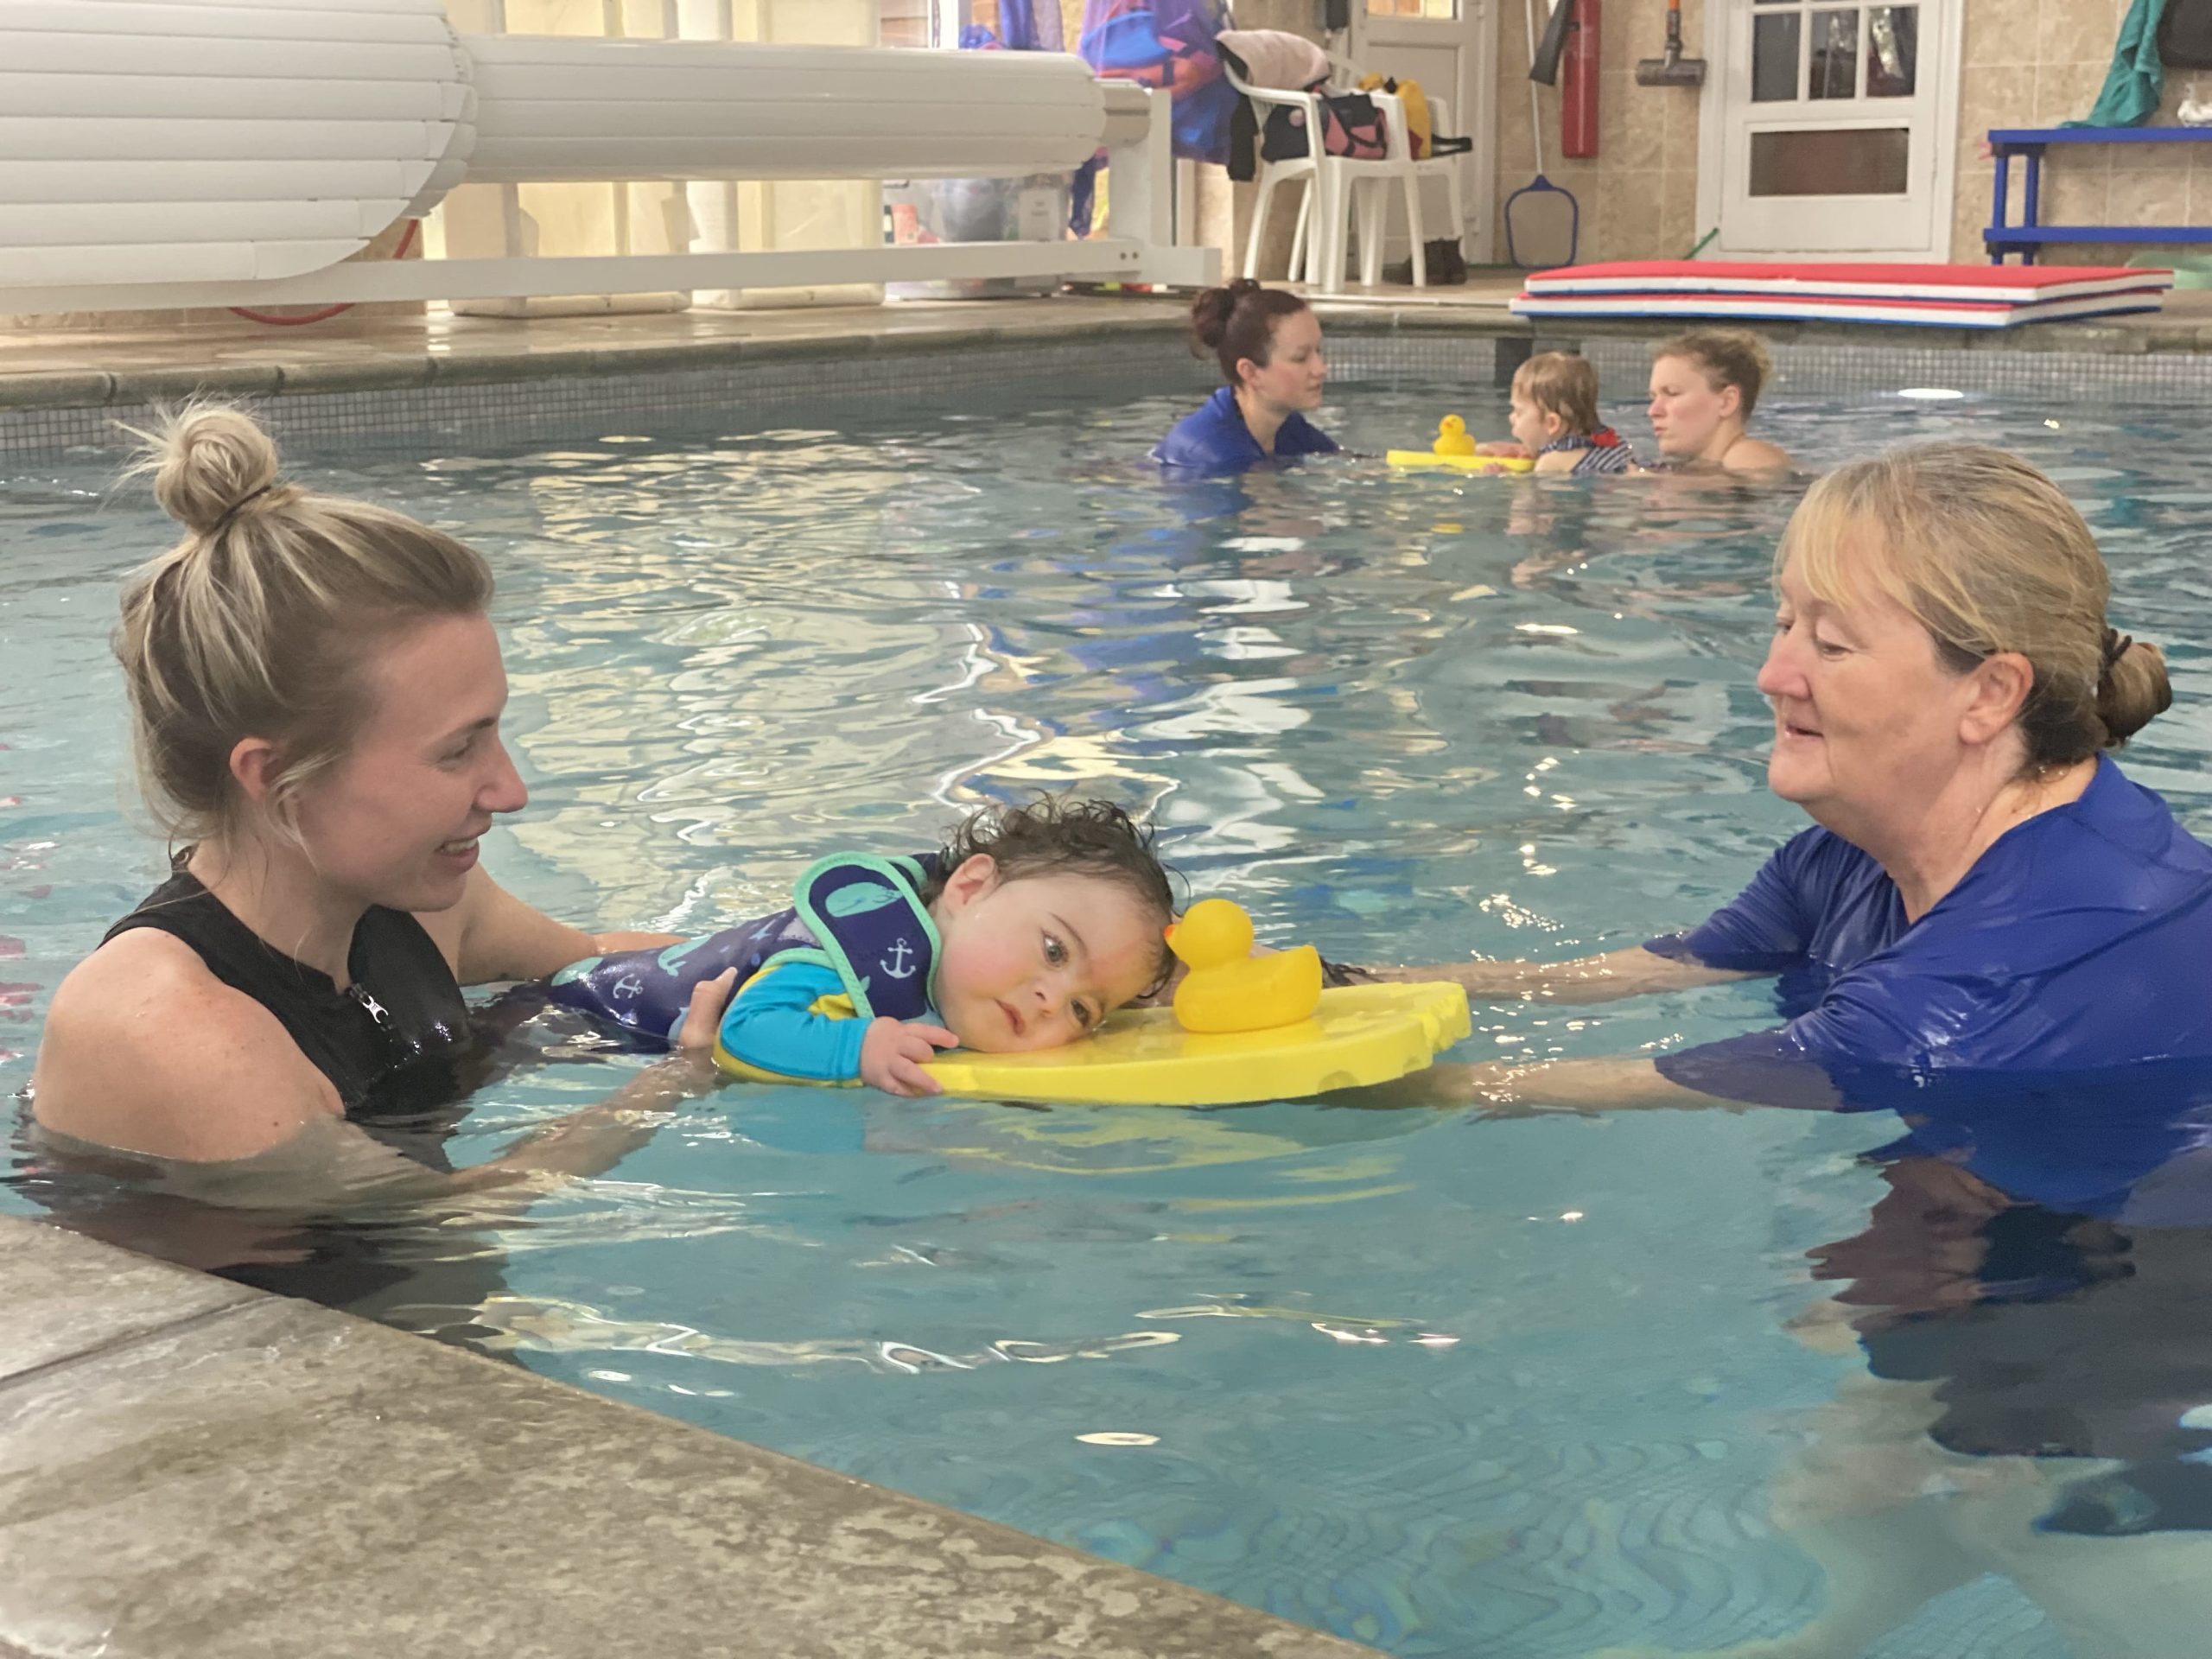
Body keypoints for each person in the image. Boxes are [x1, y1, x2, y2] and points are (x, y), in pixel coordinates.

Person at [28, 404, 735, 1202]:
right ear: (276, 778)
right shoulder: (169, 1030)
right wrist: (671, 1085)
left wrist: (815, 970)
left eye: (494, 732)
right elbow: (434, 1228)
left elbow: (604, 962)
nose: (510, 790)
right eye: (458, 749)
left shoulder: (418, 904)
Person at [550, 798, 1176, 1096]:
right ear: (971, 885)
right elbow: (746, 1030)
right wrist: (858, 1046)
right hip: (586, 1022)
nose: (1050, 998)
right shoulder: (850, 956)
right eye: (1054, 951)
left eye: (1083, 1010)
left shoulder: (966, 944)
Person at [1153, 278, 1338, 473]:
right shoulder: (1215, 457)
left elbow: (1353, 464)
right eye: (1300, 358)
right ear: (1250, 372)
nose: (1320, 369)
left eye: (1318, 350)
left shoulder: (1284, 425)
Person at [1644, 327, 1791, 474]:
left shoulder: (1749, 455)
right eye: (1653, 398)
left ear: (1727, 401)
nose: (1653, 411)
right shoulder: (1689, 468)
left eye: (1672, 393)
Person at [1507, 350, 1634, 475]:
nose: (1511, 418)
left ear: (1552, 423)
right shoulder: (1611, 441)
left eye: (1518, 412)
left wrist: (1507, 475)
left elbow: (1527, 495)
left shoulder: (1550, 463)